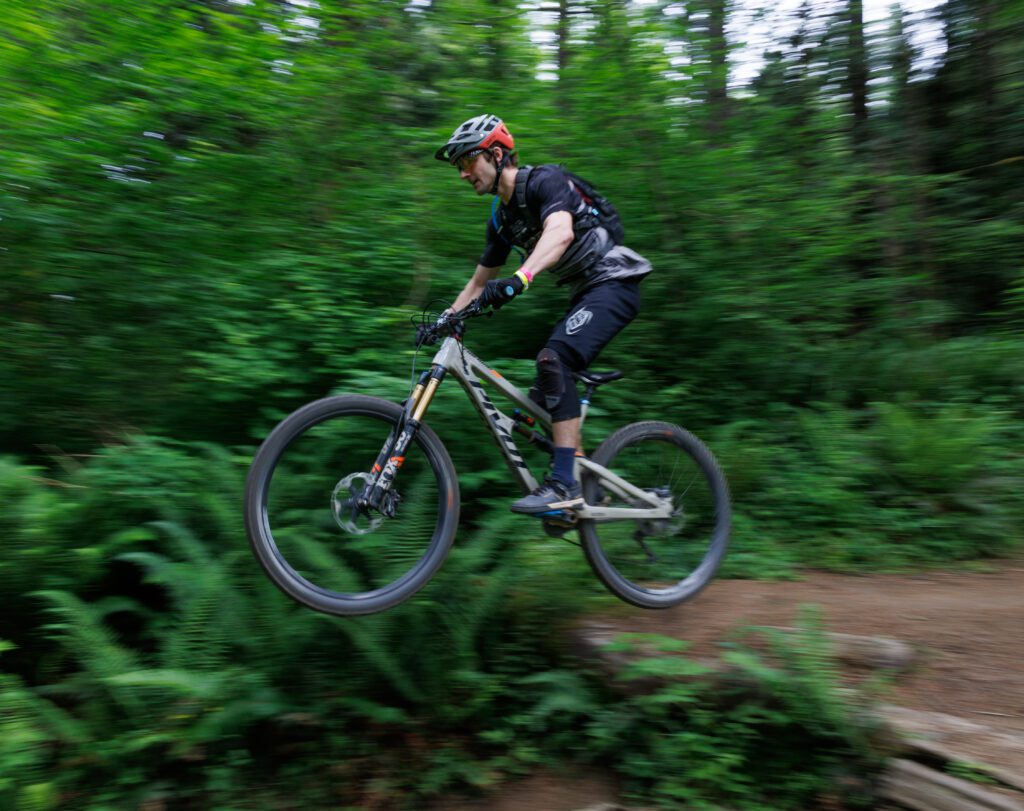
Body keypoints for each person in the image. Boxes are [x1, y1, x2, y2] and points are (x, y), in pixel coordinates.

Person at [436, 114, 652, 515]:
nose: (463, 175)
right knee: (529, 413)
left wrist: (521, 277)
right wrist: (444, 319)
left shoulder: (544, 181)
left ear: (496, 154)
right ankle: (587, 484)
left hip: (615, 283)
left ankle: (564, 484)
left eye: (467, 162)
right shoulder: (501, 220)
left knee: (553, 357)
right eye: (458, 167)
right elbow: (479, 283)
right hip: (585, 294)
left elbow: (560, 232)